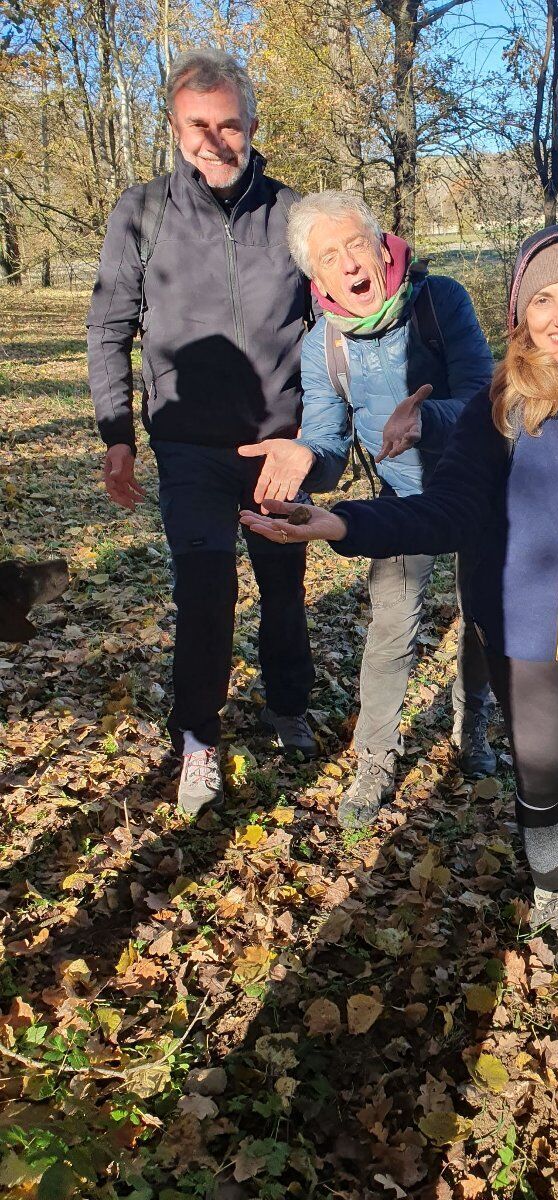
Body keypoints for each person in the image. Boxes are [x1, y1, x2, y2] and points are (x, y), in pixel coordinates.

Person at [240, 224, 558, 960]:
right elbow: (449, 509)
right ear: (521, 315)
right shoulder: (499, 403)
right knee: (538, 774)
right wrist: (340, 521)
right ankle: (553, 889)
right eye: (542, 301)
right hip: (521, 636)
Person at [87, 48, 316, 817]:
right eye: (197, 124)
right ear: (175, 125)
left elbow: (342, 321)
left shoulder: (292, 216)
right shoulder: (142, 212)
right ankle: (197, 738)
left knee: (284, 590)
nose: (213, 140)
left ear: (252, 125)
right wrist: (116, 431)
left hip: (279, 448)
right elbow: (109, 324)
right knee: (205, 591)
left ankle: (288, 705)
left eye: (228, 124)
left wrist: (317, 433)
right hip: (187, 446)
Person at [242, 191, 496, 827]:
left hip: (482, 488)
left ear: (383, 248)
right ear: (316, 277)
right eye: (330, 256)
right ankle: (375, 759)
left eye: (356, 244)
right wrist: (304, 458)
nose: (349, 264)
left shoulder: (442, 303)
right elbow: (329, 445)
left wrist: (425, 420)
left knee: (484, 617)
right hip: (402, 503)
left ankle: (473, 728)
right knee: (390, 630)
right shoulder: (322, 346)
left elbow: (487, 399)